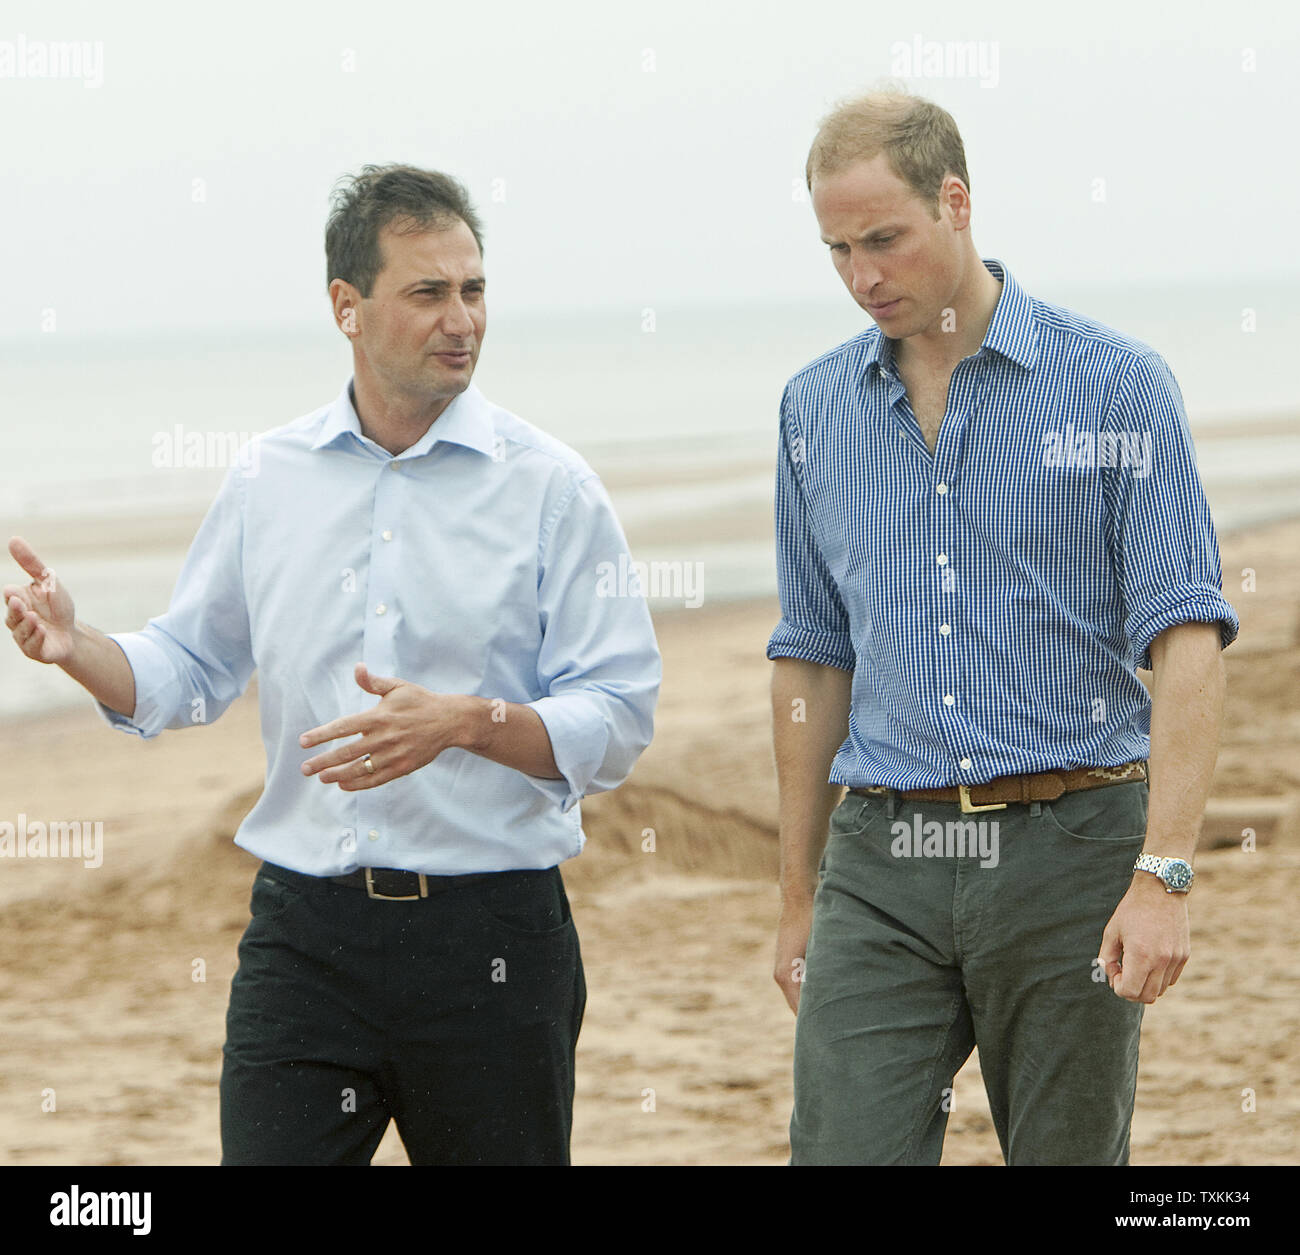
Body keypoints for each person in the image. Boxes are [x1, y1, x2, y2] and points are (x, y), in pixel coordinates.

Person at [4, 163, 661, 1166]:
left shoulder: (552, 489)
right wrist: (75, 647)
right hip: (304, 933)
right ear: (346, 308)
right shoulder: (270, 478)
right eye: (428, 293)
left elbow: (618, 717)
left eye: (473, 290)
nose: (462, 321)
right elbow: (187, 665)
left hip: (491, 936)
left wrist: (465, 722)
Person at [767, 90, 1238, 1165]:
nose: (862, 276)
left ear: (957, 200)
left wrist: (1163, 874)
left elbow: (1186, 642)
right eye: (837, 249)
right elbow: (811, 657)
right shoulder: (812, 409)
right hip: (882, 854)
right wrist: (798, 901)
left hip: (1069, 847)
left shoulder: (1116, 385)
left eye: (884, 239)